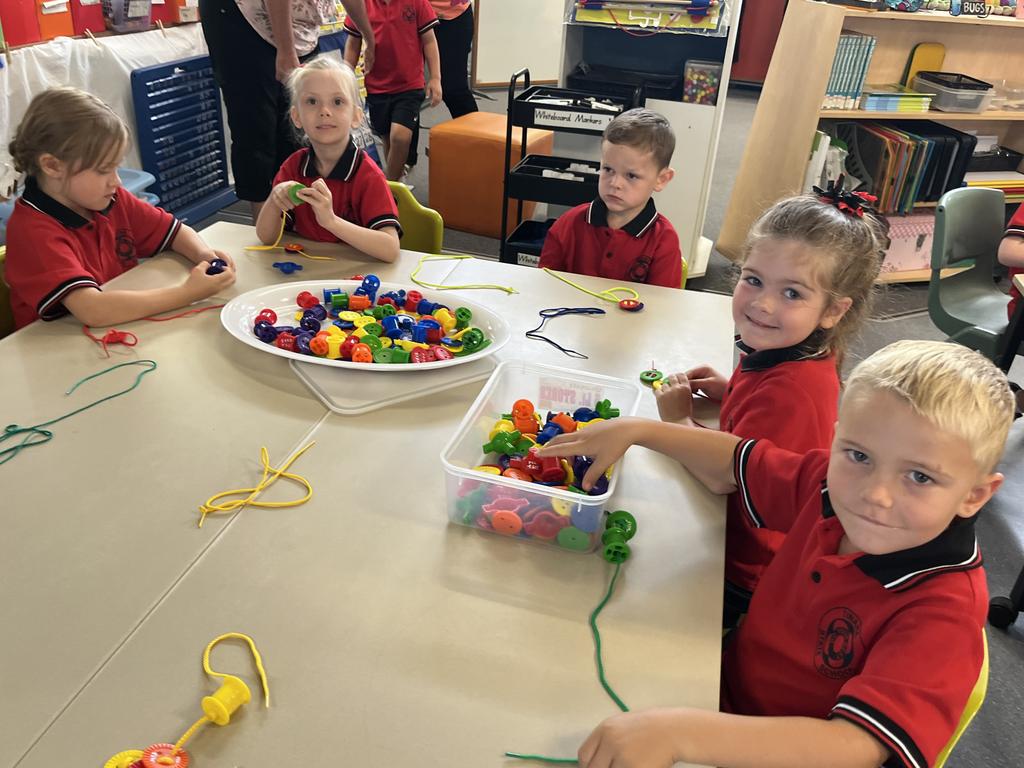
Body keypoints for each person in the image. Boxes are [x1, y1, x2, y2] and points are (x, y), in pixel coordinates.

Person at [540, 340, 1013, 768]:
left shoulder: (942, 611)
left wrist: (681, 732)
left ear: (975, 495)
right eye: (859, 455)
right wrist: (639, 429)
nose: (876, 495)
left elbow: (857, 746)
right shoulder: (827, 485)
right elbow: (734, 459)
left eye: (920, 477)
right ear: (836, 437)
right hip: (718, 693)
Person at [654, 191, 886, 626]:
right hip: (739, 539)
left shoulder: (791, 390)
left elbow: (725, 476)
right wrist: (731, 392)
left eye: (792, 293)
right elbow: (762, 428)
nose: (762, 304)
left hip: (744, 567)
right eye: (753, 279)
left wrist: (677, 422)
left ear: (833, 310)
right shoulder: (795, 347)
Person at [5, 88, 236, 330]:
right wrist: (188, 293)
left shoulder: (109, 198)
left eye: (116, 167)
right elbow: (93, 310)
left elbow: (175, 231)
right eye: (104, 169)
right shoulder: (32, 230)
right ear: (52, 166)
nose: (117, 181)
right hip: (53, 351)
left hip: (117, 330)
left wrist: (204, 256)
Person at [199, 0, 375, 219]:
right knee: (257, 128)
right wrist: (285, 49)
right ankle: (264, 228)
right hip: (242, 16)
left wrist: (369, 35)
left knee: (298, 128)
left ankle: (295, 219)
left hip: (298, 24)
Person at [255, 56, 401, 263]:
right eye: (312, 102)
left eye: (338, 102)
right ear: (296, 117)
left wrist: (331, 221)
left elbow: (390, 249)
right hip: (307, 272)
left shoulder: (367, 175)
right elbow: (265, 237)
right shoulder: (293, 167)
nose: (324, 111)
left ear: (356, 116)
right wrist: (273, 202)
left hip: (354, 279)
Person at [538, 108, 682, 289]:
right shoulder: (568, 224)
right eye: (608, 169)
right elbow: (544, 286)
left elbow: (664, 306)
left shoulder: (664, 240)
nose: (615, 183)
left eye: (631, 175)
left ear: (661, 179)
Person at [344, 0, 442, 182]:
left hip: (409, 85)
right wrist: (345, 76)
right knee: (388, 139)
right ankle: (396, 181)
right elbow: (353, 43)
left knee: (400, 137)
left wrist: (435, 78)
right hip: (377, 86)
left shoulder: (417, 3)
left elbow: (429, 41)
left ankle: (389, 186)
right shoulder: (361, 5)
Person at [430, 0, 478, 119]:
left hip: (452, 17)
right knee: (408, 91)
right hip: (408, 13)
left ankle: (474, 136)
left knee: (453, 89)